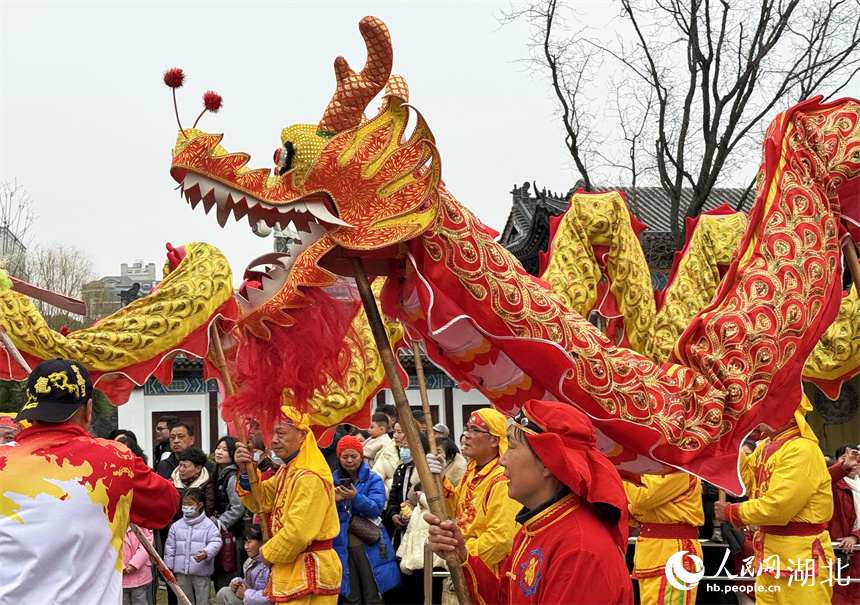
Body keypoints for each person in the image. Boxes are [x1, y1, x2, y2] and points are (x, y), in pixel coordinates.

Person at [0, 358, 178, 604]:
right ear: (89, 408)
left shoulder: (3, 461)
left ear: (30, 409)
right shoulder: (114, 461)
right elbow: (166, 506)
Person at [426, 399, 634, 604]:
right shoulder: (534, 529)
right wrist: (462, 555)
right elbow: (504, 601)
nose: (502, 460)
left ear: (548, 463)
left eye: (513, 448)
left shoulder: (579, 550)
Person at [716, 396, 836, 604]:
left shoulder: (802, 449)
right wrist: (728, 437)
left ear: (787, 414)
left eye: (766, 408)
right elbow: (746, 478)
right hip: (770, 554)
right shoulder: (765, 447)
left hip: (801, 558)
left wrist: (732, 512)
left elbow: (779, 506)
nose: (759, 414)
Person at [234, 406, 342, 603]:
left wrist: (267, 552)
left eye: (281, 433)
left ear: (302, 435)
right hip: (293, 566)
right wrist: (246, 472)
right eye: (272, 433)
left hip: (308, 568)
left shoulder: (309, 476)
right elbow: (262, 500)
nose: (273, 440)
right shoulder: (289, 469)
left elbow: (298, 532)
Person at [427, 409, 520, 576]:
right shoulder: (472, 470)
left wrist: (461, 553)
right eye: (467, 429)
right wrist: (441, 478)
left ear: (494, 440)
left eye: (475, 430)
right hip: (466, 565)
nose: (466, 435)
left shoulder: (503, 479)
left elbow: (501, 540)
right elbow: (457, 510)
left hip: (489, 573)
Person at [333, 435, 401, 603]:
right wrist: (333, 502)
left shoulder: (374, 479)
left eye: (354, 456)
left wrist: (355, 497)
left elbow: (376, 508)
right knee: (350, 595)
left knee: (373, 593)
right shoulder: (329, 480)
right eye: (345, 456)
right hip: (340, 542)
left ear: (361, 456)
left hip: (368, 541)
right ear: (338, 457)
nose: (349, 460)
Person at [624, 473, 704, 604]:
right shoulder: (657, 469)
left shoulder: (679, 469)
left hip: (674, 554)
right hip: (652, 552)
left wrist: (622, 472)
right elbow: (638, 513)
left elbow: (642, 496)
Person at [382, 425, 430, 605]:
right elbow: (393, 499)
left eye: (407, 446)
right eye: (401, 446)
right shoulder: (401, 469)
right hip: (401, 533)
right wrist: (394, 515)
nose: (403, 450)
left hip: (421, 533)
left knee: (419, 583)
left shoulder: (427, 470)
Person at [165, 487, 223, 605]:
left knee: (203, 600)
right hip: (181, 572)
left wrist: (206, 553)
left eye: (190, 504)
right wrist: (169, 568)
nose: (186, 507)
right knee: (183, 600)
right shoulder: (176, 526)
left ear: (199, 505)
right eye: (184, 504)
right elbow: (170, 548)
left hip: (201, 572)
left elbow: (216, 542)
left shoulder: (209, 525)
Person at [212, 436, 248, 589]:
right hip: (222, 532)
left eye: (225, 450)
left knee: (229, 578)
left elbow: (238, 508)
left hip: (231, 535)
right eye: (218, 448)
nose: (219, 452)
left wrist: (219, 522)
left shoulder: (232, 476)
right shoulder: (217, 474)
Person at [828, 443, 860, 605]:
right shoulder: (832, 485)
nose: (854, 463)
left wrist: (855, 536)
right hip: (838, 554)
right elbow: (822, 480)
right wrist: (842, 468)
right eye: (846, 458)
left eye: (857, 459)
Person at [216, 524, 271, 605]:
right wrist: (238, 583)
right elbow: (249, 582)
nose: (246, 547)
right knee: (224, 593)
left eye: (249, 542)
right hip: (250, 600)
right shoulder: (251, 561)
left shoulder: (269, 565)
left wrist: (245, 594)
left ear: (261, 542)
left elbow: (271, 597)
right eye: (245, 542)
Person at [172, 446, 216, 516]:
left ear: (198, 468)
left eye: (185, 466)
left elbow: (208, 510)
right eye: (180, 465)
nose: (181, 469)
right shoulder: (171, 483)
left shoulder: (206, 484)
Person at [123, 524, 154, 605]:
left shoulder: (142, 522)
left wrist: (134, 564)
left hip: (140, 576)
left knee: (141, 601)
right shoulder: (111, 521)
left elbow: (147, 544)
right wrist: (120, 566)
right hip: (119, 577)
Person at [371, 420, 402, 494]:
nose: (395, 436)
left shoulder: (420, 453)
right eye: (394, 431)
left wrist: (389, 482)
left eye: (399, 432)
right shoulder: (388, 451)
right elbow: (375, 479)